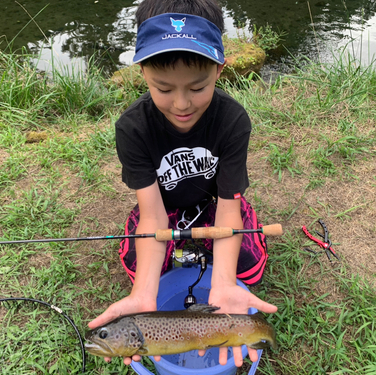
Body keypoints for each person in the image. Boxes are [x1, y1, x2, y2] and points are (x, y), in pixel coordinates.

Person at [88, 0, 277, 368]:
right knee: (139, 270)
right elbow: (153, 214)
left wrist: (223, 282)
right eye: (163, 88)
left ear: (220, 70)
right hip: (164, 209)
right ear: (142, 72)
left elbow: (228, 206)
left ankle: (207, 266)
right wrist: (144, 292)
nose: (181, 104)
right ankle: (180, 263)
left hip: (213, 206)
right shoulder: (132, 128)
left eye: (197, 86)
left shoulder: (233, 120)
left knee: (248, 270)